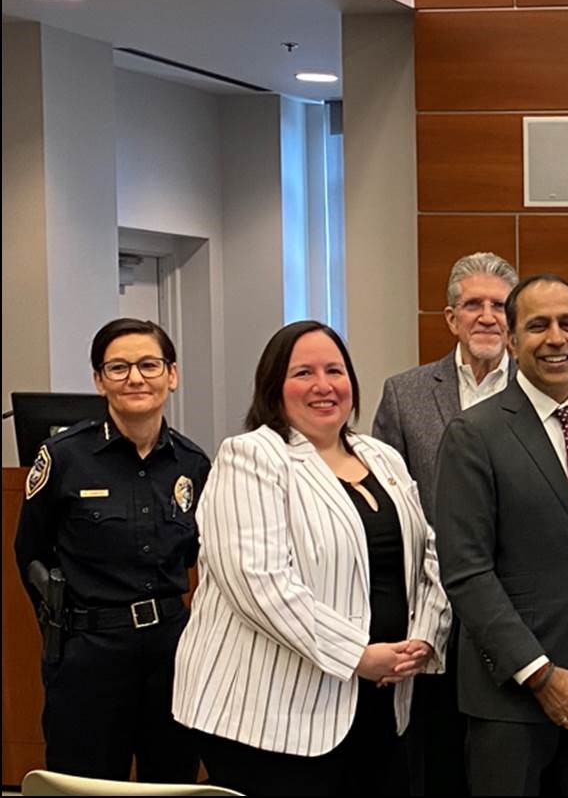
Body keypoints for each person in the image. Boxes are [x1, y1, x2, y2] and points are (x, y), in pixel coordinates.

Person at [171, 321, 452, 796]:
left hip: (380, 697)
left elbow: (429, 555)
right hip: (268, 714)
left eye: (334, 371)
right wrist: (358, 655)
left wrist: (422, 639)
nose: (323, 386)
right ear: (273, 387)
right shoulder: (250, 457)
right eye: (303, 373)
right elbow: (259, 584)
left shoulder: (382, 456)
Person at [434, 274, 568, 796]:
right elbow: (467, 572)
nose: (556, 339)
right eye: (538, 325)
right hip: (513, 698)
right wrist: (540, 674)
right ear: (511, 339)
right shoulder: (474, 433)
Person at [14, 318, 210, 782]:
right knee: (86, 784)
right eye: (118, 368)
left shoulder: (192, 463)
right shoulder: (63, 457)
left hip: (171, 651)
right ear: (99, 380)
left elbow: (195, 556)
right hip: (90, 652)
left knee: (173, 781)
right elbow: (31, 553)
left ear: (172, 375)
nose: (135, 378)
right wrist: (62, 630)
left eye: (149, 365)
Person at [373, 251, 518, 796]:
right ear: (451, 318)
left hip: (514, 609)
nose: (487, 316)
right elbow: (384, 502)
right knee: (435, 761)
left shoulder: (538, 389)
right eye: (473, 304)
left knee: (504, 762)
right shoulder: (404, 393)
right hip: (431, 614)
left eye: (499, 306)